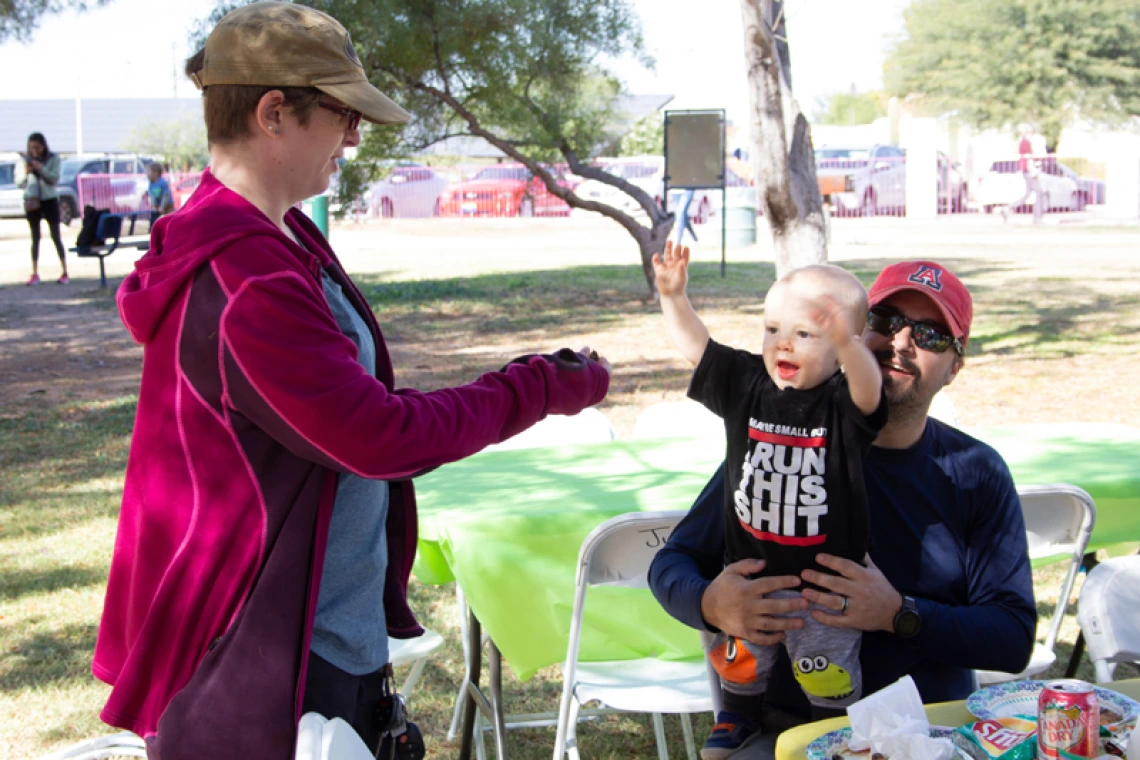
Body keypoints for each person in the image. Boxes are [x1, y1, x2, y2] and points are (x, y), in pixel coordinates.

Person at [90, 4, 611, 759]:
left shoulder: (275, 236)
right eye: (342, 113)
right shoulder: (245, 277)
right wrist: (539, 387)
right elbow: (376, 435)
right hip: (272, 653)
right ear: (275, 113)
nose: (356, 136)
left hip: (312, 633)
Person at [649, 259, 1037, 759]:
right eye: (886, 320)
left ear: (954, 368)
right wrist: (711, 604)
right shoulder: (787, 438)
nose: (900, 342)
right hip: (790, 731)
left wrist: (898, 614)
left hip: (928, 733)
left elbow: (1011, 638)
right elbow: (670, 563)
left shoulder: (975, 471)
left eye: (931, 335)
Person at [653, 243, 886, 758]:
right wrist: (673, 297)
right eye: (772, 328)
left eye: (805, 334)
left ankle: (832, 732)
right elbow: (699, 349)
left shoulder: (842, 402)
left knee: (828, 670)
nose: (783, 343)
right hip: (752, 573)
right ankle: (735, 715)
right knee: (740, 657)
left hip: (826, 585)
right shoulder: (748, 384)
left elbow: (871, 393)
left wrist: (851, 346)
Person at [21, 132, 69, 285]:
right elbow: (19, 182)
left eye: (37, 147)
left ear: (43, 146)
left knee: (56, 235)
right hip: (32, 201)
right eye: (31, 148)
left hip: (49, 200)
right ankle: (34, 272)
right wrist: (26, 171)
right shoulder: (24, 161)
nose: (34, 151)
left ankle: (64, 271)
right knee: (35, 237)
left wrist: (41, 168)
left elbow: (54, 178)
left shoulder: (53, 159)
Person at [1002, 127, 1044, 224]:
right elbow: (1028, 156)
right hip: (1029, 170)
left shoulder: (1026, 141)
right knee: (1038, 192)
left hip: (1029, 170)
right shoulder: (1026, 142)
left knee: (1028, 194)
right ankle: (1037, 218)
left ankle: (1007, 209)